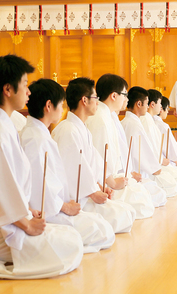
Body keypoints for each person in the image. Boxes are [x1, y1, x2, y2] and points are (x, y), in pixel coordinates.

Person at [0, 55, 83, 279]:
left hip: (1, 221)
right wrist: (27, 224)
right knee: (71, 245)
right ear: (8, 89)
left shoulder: (0, 124)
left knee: (70, 237)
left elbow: (8, 186)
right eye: (25, 85)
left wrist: (28, 211)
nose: (29, 93)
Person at [20, 78, 115, 253]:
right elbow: (40, 185)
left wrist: (98, 186)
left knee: (103, 227)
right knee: (101, 231)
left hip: (58, 205)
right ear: (49, 106)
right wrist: (64, 206)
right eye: (61, 104)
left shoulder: (40, 134)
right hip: (48, 211)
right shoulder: (36, 138)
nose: (63, 109)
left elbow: (86, 165)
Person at [52, 77, 136, 233]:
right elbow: (72, 170)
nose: (98, 102)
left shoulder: (81, 128)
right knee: (113, 224)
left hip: (88, 192)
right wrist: (93, 192)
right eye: (95, 98)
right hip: (77, 199)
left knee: (127, 212)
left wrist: (101, 185)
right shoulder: (68, 130)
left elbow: (92, 163)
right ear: (84, 100)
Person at [86, 74, 155, 218]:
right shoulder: (100, 118)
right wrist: (111, 182)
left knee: (148, 199)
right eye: (124, 94)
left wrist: (127, 175)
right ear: (113, 96)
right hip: (105, 183)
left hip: (113, 177)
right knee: (142, 206)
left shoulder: (108, 115)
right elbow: (98, 158)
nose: (126, 99)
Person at [121, 86, 177, 197]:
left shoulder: (126, 121)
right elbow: (142, 152)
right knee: (164, 192)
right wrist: (155, 167)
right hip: (139, 172)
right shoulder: (135, 124)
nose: (147, 107)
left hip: (136, 170)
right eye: (146, 103)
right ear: (138, 104)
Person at [141, 89, 177, 191]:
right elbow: (148, 147)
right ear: (152, 104)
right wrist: (162, 160)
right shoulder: (147, 120)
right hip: (154, 164)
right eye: (160, 103)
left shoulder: (149, 120)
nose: (160, 107)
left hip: (159, 161)